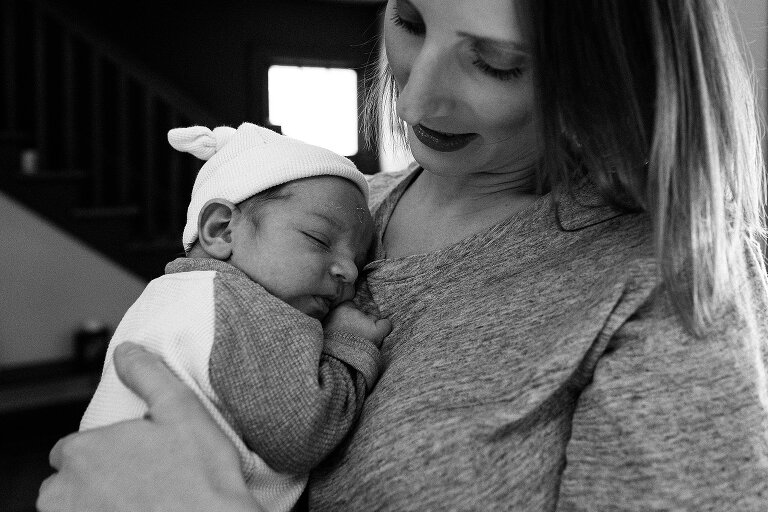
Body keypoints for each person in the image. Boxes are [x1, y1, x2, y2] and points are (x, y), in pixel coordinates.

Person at [38, 0, 768, 510]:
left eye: (496, 62)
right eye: (410, 22)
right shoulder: (337, 209)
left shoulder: (672, 285)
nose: (416, 97)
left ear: (610, 70)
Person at [76, 122, 390, 512]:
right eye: (319, 239)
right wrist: (348, 346)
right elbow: (301, 434)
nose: (350, 272)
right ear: (222, 229)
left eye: (359, 261)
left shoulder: (172, 294)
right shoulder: (248, 306)